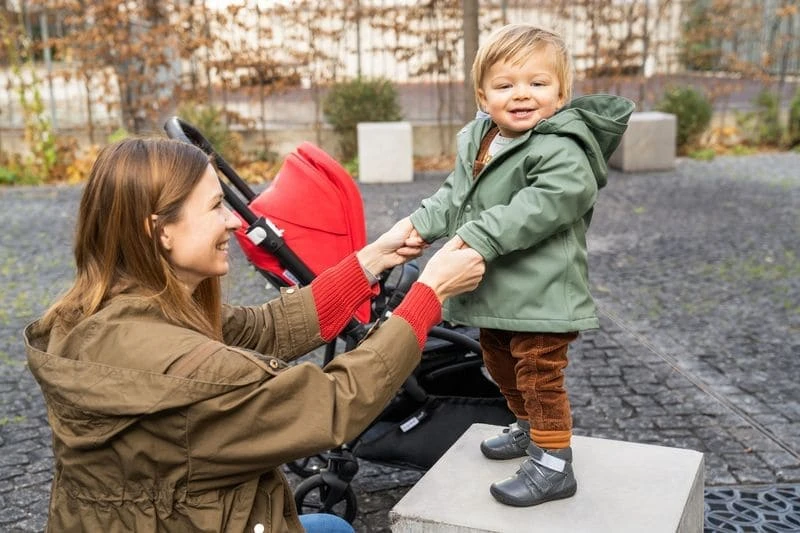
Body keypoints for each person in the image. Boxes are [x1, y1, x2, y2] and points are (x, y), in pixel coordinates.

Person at [23, 137, 486, 533]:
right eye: (213, 207)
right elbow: (334, 402)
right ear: (159, 229)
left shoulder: (102, 315)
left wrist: (369, 260)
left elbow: (263, 328)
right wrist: (430, 292)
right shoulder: (187, 369)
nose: (232, 221)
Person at [400, 24, 635, 507]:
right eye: (506, 85)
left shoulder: (562, 148)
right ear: (484, 96)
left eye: (537, 83)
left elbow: (548, 203)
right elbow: (455, 194)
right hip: (499, 291)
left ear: (562, 93)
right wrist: (422, 224)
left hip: (544, 290)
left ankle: (553, 464)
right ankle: (529, 428)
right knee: (498, 363)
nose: (522, 95)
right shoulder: (481, 138)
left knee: (539, 372)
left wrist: (478, 236)